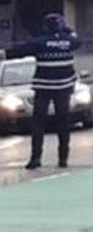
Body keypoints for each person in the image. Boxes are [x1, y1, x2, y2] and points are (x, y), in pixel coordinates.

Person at [0, 13, 81, 169]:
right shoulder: (70, 42)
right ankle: (63, 158)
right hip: (63, 88)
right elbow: (78, 40)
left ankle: (35, 158)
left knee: (38, 124)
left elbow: (18, 51)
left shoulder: (39, 43)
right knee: (63, 124)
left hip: (43, 88)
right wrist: (67, 31)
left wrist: (4, 53)